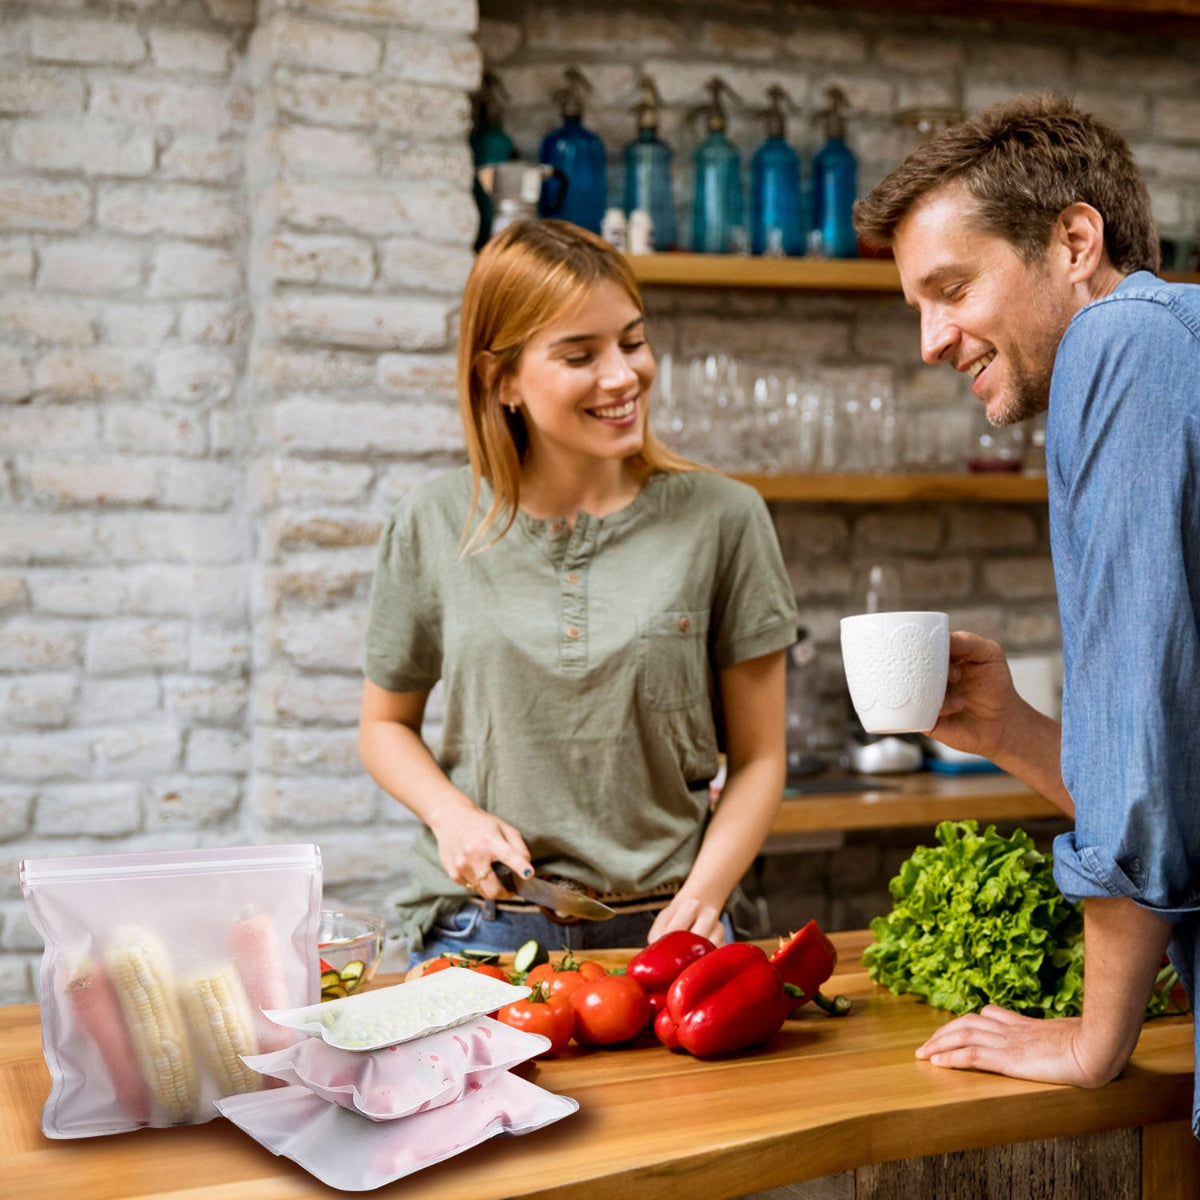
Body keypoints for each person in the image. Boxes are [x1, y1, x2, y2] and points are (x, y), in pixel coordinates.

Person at [853, 93, 1200, 1133]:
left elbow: (1141, 754)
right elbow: (1181, 792)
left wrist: (1096, 1039)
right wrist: (1008, 730)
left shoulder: (1120, 344)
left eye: (951, 289)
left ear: (1075, 240)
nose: (930, 340)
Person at [358, 218, 798, 964]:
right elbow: (383, 726)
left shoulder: (724, 519)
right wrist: (452, 816)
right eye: (579, 355)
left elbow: (759, 758)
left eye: (632, 341)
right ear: (502, 381)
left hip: (669, 935)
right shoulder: (434, 521)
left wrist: (703, 899)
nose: (624, 376)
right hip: (478, 933)